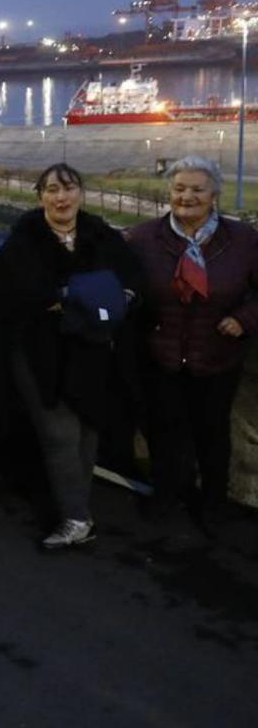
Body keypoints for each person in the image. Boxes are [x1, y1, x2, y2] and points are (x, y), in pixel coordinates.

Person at [0, 163, 141, 549]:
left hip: (90, 349)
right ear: (39, 196)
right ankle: (75, 516)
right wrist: (82, 298)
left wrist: (114, 297)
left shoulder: (101, 235)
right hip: (40, 352)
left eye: (69, 188)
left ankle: (77, 511)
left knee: (89, 427)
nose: (62, 197)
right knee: (59, 433)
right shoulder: (23, 240)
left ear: (81, 193)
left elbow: (130, 278)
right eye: (53, 190)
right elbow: (15, 295)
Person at [127, 155, 258, 530]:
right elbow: (124, 283)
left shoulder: (245, 241)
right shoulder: (143, 237)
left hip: (217, 356)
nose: (187, 196)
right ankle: (165, 495)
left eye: (197, 189)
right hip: (162, 354)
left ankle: (212, 503)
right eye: (179, 188)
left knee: (212, 434)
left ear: (214, 194)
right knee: (163, 430)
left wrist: (244, 319)